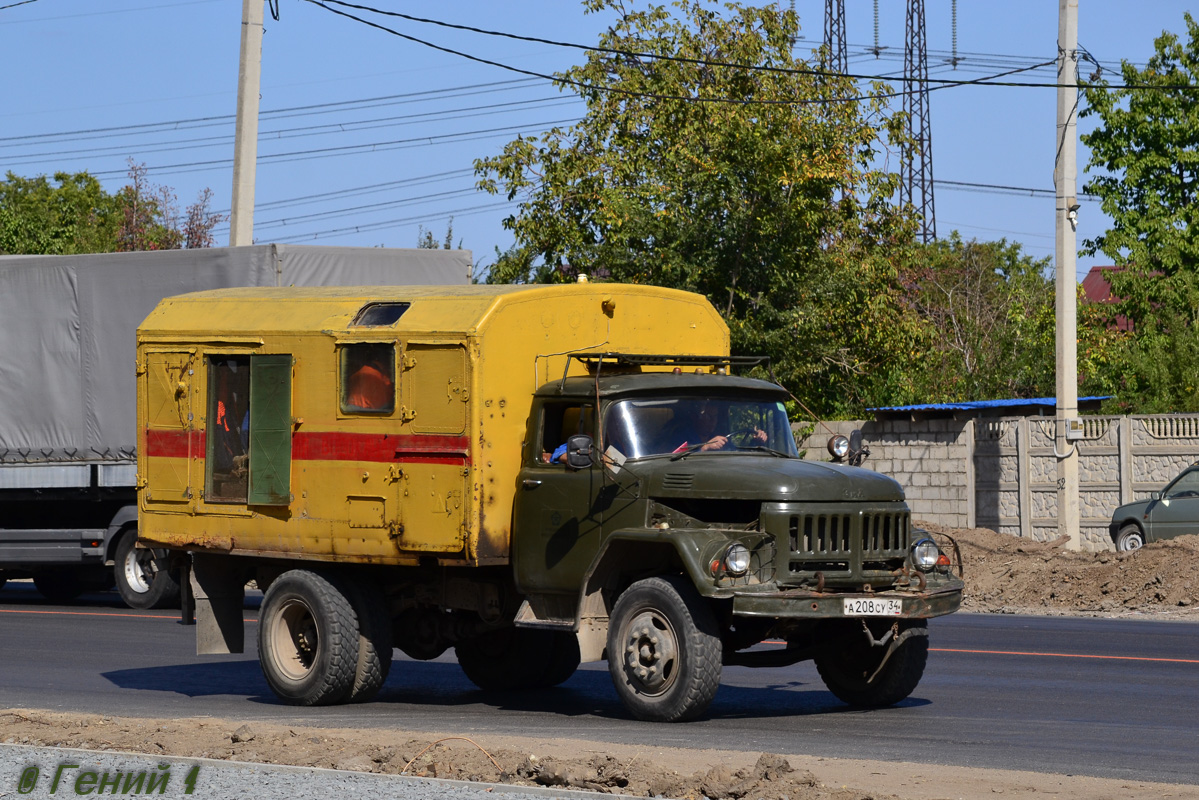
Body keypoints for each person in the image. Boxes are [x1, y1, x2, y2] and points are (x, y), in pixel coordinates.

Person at [664, 399, 767, 454]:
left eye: (715, 416)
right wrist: (705, 448)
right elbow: (673, 458)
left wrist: (756, 442)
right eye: (708, 417)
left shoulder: (718, 438)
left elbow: (735, 453)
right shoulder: (680, 435)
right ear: (696, 417)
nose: (713, 421)